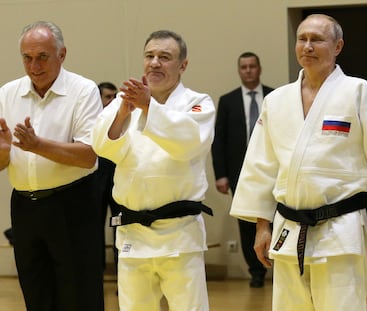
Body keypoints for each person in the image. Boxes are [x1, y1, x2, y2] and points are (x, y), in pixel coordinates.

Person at [230, 14, 367, 311]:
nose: (307, 46)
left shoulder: (361, 93)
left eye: (317, 39)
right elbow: (260, 166)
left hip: (341, 231)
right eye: (302, 39)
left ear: (338, 46)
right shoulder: (276, 101)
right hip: (288, 232)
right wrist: (262, 226)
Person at [92, 30, 215, 311]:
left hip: (179, 233)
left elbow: (190, 143)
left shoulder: (198, 102)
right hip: (133, 234)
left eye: (165, 57)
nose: (155, 63)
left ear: (182, 65)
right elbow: (102, 146)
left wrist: (148, 106)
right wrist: (124, 111)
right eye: (150, 56)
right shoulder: (126, 101)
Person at [0, 21, 104, 311]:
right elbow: (1, 161)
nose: (34, 65)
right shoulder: (6, 93)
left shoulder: (83, 91)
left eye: (42, 56)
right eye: (27, 57)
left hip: (72, 206)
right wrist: (3, 151)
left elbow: (89, 156)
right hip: (24, 207)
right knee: (36, 295)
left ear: (62, 54)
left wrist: (38, 145)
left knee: (79, 295)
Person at [211, 52, 273, 288]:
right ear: (239, 71)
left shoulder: (274, 96)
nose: (248, 70)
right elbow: (219, 140)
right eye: (244, 67)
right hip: (241, 173)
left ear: (259, 69)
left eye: (252, 66)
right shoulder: (228, 101)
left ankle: (280, 266)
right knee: (248, 222)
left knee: (277, 219)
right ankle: (256, 271)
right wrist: (221, 174)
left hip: (273, 170)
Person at [97, 82, 122, 271]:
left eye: (115, 96)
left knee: (120, 227)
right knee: (94, 228)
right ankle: (96, 273)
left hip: (118, 180)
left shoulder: (123, 118)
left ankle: (122, 272)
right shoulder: (91, 119)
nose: (112, 100)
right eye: (108, 96)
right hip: (95, 181)